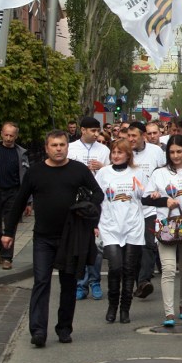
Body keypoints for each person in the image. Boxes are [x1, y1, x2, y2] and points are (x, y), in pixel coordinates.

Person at [3, 130, 103, 347]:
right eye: (54, 145)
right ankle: (38, 331)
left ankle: (64, 328)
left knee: (68, 284)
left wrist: (87, 209)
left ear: (67, 146)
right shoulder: (36, 172)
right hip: (43, 239)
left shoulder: (78, 170)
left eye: (62, 145)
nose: (58, 148)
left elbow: (98, 194)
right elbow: (19, 201)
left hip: (70, 238)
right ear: (46, 148)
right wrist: (8, 232)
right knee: (41, 282)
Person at [96, 139, 165, 324]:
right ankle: (112, 306)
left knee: (129, 269)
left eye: (120, 152)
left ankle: (125, 309)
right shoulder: (103, 173)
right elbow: (95, 198)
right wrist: (94, 223)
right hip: (110, 226)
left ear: (128, 154)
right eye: (114, 152)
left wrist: (157, 196)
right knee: (115, 267)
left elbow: (146, 195)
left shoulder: (138, 173)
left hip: (133, 226)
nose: (116, 155)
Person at [144, 135, 182, 327]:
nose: (175, 155)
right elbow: (145, 198)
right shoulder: (159, 173)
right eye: (172, 152)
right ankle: (169, 313)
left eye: (179, 151)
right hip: (166, 226)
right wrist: (160, 199)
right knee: (167, 270)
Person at [67, 117, 111, 301]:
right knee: (79, 244)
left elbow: (113, 171)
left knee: (97, 245)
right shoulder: (71, 148)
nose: (95, 134)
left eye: (97, 130)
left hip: (98, 202)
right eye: (92, 130)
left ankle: (95, 281)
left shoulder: (104, 150)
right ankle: (80, 283)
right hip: (77, 202)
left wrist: (102, 167)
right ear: (82, 130)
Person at [127, 122, 166, 299]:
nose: (130, 139)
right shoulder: (124, 151)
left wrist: (160, 190)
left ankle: (144, 281)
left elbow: (164, 173)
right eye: (128, 136)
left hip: (150, 206)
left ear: (143, 136)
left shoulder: (156, 152)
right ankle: (138, 282)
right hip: (131, 207)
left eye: (134, 136)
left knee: (150, 244)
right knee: (135, 246)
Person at [0, 122, 29, 270]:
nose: (8, 138)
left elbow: (26, 178)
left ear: (16, 136)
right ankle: (2, 248)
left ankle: (7, 258)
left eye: (11, 135)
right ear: (1, 134)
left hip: (13, 193)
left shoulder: (21, 153)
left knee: (10, 225)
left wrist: (28, 201)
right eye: (6, 135)